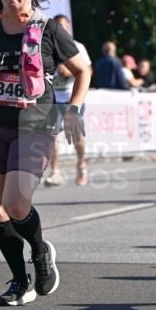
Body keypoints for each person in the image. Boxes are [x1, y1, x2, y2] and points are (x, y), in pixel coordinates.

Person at [0, 0, 91, 305]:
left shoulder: (48, 29)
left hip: (35, 125)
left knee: (16, 203)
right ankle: (20, 282)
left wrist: (74, 108)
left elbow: (83, 70)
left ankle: (40, 251)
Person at [45, 14, 93, 187]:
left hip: (72, 98)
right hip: (53, 99)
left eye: (63, 26)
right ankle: (55, 172)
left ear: (68, 28)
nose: (60, 30)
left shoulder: (77, 46)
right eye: (57, 26)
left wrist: (69, 71)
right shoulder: (47, 45)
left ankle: (81, 163)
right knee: (51, 136)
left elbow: (88, 72)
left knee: (76, 135)